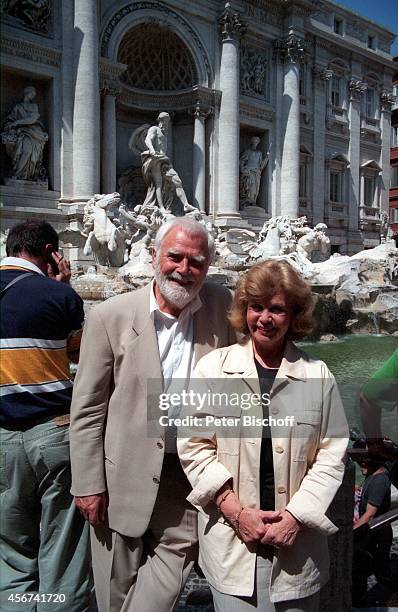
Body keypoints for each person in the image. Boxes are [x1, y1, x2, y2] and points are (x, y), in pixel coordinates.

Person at [69, 217, 236, 612]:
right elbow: (88, 409)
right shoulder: (109, 316)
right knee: (115, 582)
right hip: (120, 475)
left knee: (170, 574)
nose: (184, 269)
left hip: (189, 476)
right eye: (175, 257)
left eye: (196, 261)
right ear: (154, 256)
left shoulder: (223, 306)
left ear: (208, 265)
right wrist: (88, 483)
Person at [178, 260, 349, 611]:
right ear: (244, 310)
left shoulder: (317, 373)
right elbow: (194, 445)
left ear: (294, 314)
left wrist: (296, 516)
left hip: (297, 545)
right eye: (256, 307)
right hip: (231, 538)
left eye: (277, 309)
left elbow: (332, 454)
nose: (265, 319)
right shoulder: (213, 368)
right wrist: (237, 512)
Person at [0, 220, 92, 611]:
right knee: (64, 545)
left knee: (9, 546)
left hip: (1, 437)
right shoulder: (59, 296)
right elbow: (80, 354)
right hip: (54, 434)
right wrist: (64, 287)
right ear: (52, 253)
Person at [352, 456, 393, 606]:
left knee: (381, 573)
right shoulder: (372, 476)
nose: (359, 465)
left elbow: (370, 514)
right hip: (374, 534)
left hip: (379, 535)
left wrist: (352, 533)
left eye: (361, 462)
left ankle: (382, 599)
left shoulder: (380, 481)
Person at [140, 112, 195, 213]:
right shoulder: (154, 129)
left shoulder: (164, 133)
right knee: (159, 184)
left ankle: (186, 205)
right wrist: (152, 150)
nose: (166, 124)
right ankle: (161, 207)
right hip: (155, 158)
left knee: (177, 181)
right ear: (160, 121)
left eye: (167, 121)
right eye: (164, 121)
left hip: (164, 160)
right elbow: (148, 139)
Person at [1, 86, 48, 181]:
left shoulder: (34, 106)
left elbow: (33, 119)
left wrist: (17, 122)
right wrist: (10, 125)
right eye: (32, 93)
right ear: (27, 93)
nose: (33, 95)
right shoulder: (18, 107)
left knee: (28, 151)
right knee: (26, 151)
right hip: (21, 132)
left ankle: (24, 175)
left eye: (34, 94)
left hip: (34, 132)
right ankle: (17, 174)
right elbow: (10, 119)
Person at [239, 136, 269, 206]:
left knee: (255, 188)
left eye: (257, 142)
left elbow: (261, 165)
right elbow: (242, 161)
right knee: (249, 187)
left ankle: (253, 201)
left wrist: (267, 157)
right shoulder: (248, 151)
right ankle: (247, 201)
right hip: (249, 171)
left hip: (256, 172)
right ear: (252, 142)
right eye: (254, 141)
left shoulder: (259, 153)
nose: (255, 143)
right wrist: (243, 169)